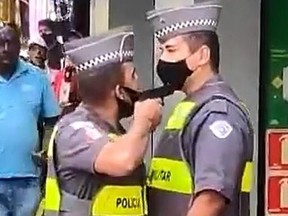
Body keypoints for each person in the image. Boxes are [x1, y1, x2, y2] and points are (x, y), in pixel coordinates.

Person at [145, 2, 254, 216]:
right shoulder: (193, 106)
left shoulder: (217, 113)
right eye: (162, 51)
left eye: (171, 50)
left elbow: (211, 199)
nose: (163, 60)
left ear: (202, 55)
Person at [43, 25, 162, 216]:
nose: (140, 83)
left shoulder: (116, 133)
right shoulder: (75, 130)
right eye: (133, 76)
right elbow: (123, 161)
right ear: (119, 91)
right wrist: (144, 120)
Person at [0, 23, 60, 216]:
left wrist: (45, 155)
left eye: (11, 43)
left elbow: (52, 122)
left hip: (28, 179)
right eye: (0, 43)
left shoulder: (37, 78)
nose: (5, 49)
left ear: (20, 45)